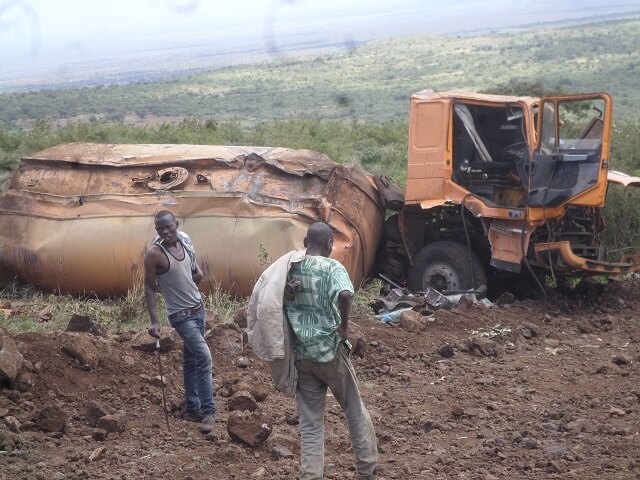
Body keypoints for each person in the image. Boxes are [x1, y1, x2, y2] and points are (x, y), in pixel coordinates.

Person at [285, 222, 378, 480]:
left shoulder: (291, 268)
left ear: (305, 242)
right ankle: (367, 471)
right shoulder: (332, 267)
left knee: (311, 424)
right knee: (354, 410)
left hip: (302, 354)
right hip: (330, 351)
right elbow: (346, 294)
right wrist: (344, 328)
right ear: (329, 245)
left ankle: (311, 476)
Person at [144, 210, 216, 433]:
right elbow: (148, 287)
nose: (165, 231)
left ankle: (192, 409)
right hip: (180, 317)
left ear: (177, 224)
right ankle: (208, 411)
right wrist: (155, 322)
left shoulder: (185, 242)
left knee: (192, 361)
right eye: (160, 228)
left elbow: (195, 271)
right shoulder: (155, 254)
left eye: (168, 227)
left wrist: (190, 282)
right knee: (204, 357)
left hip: (198, 311)